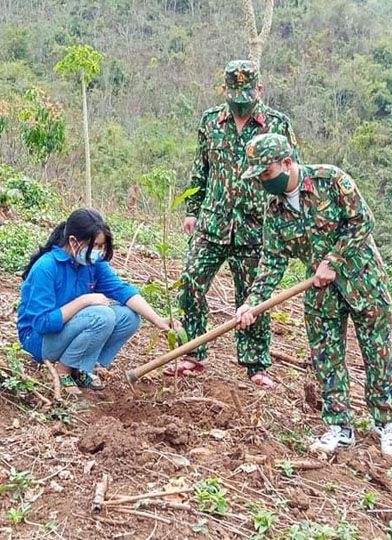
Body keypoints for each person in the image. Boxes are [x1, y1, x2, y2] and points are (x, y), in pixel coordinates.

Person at [235, 133, 392, 459]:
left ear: (287, 163)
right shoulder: (275, 210)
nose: (262, 182)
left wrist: (334, 260)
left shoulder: (331, 179)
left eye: (266, 174)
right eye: (257, 178)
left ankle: (386, 425)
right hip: (320, 291)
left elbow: (362, 220)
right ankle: (339, 428)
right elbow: (272, 259)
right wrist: (253, 301)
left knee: (377, 355)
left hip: (363, 281)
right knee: (326, 358)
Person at [176, 59, 299, 388]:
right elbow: (200, 168)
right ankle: (193, 351)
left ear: (260, 89)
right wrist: (192, 209)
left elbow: (292, 172)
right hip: (213, 222)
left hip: (256, 225)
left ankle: (256, 364)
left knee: (252, 298)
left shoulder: (277, 124)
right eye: (234, 94)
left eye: (248, 93)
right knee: (190, 282)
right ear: (224, 91)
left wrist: (288, 218)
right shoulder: (210, 122)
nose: (241, 100)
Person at [17, 209, 178, 395]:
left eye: (102, 246)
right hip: (39, 340)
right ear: (73, 241)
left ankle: (81, 368)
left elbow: (123, 290)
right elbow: (42, 323)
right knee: (102, 315)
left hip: (68, 330)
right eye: (96, 246)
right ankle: (63, 370)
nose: (99, 252)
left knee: (129, 317)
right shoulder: (46, 267)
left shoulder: (92, 264)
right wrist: (84, 301)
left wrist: (158, 320)